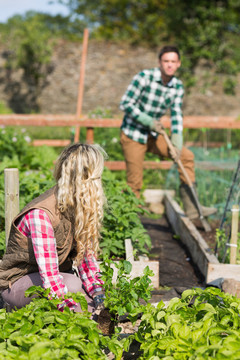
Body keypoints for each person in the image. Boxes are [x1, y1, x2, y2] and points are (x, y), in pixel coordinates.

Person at [0, 143, 106, 314]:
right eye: (97, 177)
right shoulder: (41, 215)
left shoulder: (78, 207)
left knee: (89, 298)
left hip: (52, 279)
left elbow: (85, 261)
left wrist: (98, 293)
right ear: (85, 180)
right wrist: (73, 315)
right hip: (17, 283)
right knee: (74, 288)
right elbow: (50, 278)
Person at [119, 45, 216, 220]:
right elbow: (126, 103)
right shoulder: (144, 78)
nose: (169, 65)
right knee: (135, 181)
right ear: (159, 62)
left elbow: (177, 115)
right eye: (166, 61)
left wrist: (177, 142)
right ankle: (130, 221)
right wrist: (148, 121)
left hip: (154, 135)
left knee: (186, 157)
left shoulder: (177, 86)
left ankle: (193, 208)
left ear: (178, 64)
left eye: (173, 61)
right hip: (133, 134)